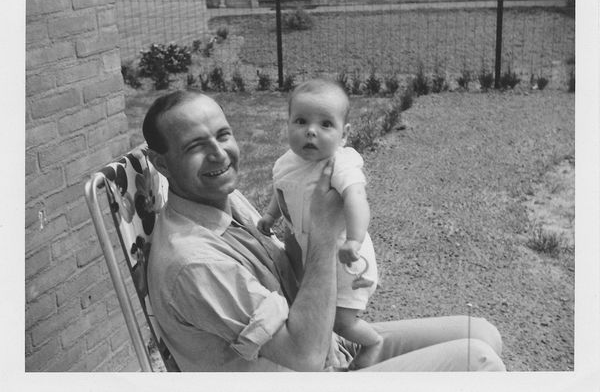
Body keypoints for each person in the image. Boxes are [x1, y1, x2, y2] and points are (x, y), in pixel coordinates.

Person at [144, 89, 506, 372]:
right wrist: (324, 233)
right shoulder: (193, 264)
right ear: (161, 163)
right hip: (309, 368)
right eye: (195, 146)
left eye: (223, 135)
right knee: (477, 363)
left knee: (482, 333)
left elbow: (291, 268)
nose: (219, 154)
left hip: (328, 345)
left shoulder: (222, 199)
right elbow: (303, 357)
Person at [256, 78, 381, 369]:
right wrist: (271, 215)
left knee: (340, 320)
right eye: (301, 121)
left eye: (325, 124)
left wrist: (354, 239)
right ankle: (329, 351)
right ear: (288, 124)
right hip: (311, 252)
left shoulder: (339, 165)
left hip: (345, 257)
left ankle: (373, 343)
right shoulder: (286, 163)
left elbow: (357, 200)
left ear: (344, 134)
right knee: (315, 308)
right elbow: (281, 189)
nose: (311, 131)